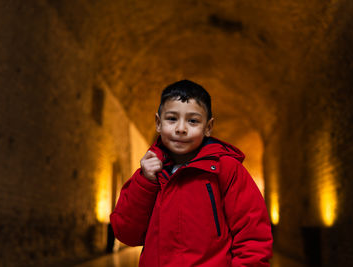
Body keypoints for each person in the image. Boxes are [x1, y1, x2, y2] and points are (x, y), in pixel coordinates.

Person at [110, 80, 273, 266]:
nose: (181, 129)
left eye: (193, 121)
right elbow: (127, 234)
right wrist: (145, 182)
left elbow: (253, 236)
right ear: (158, 123)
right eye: (172, 118)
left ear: (208, 127)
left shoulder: (226, 169)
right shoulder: (149, 175)